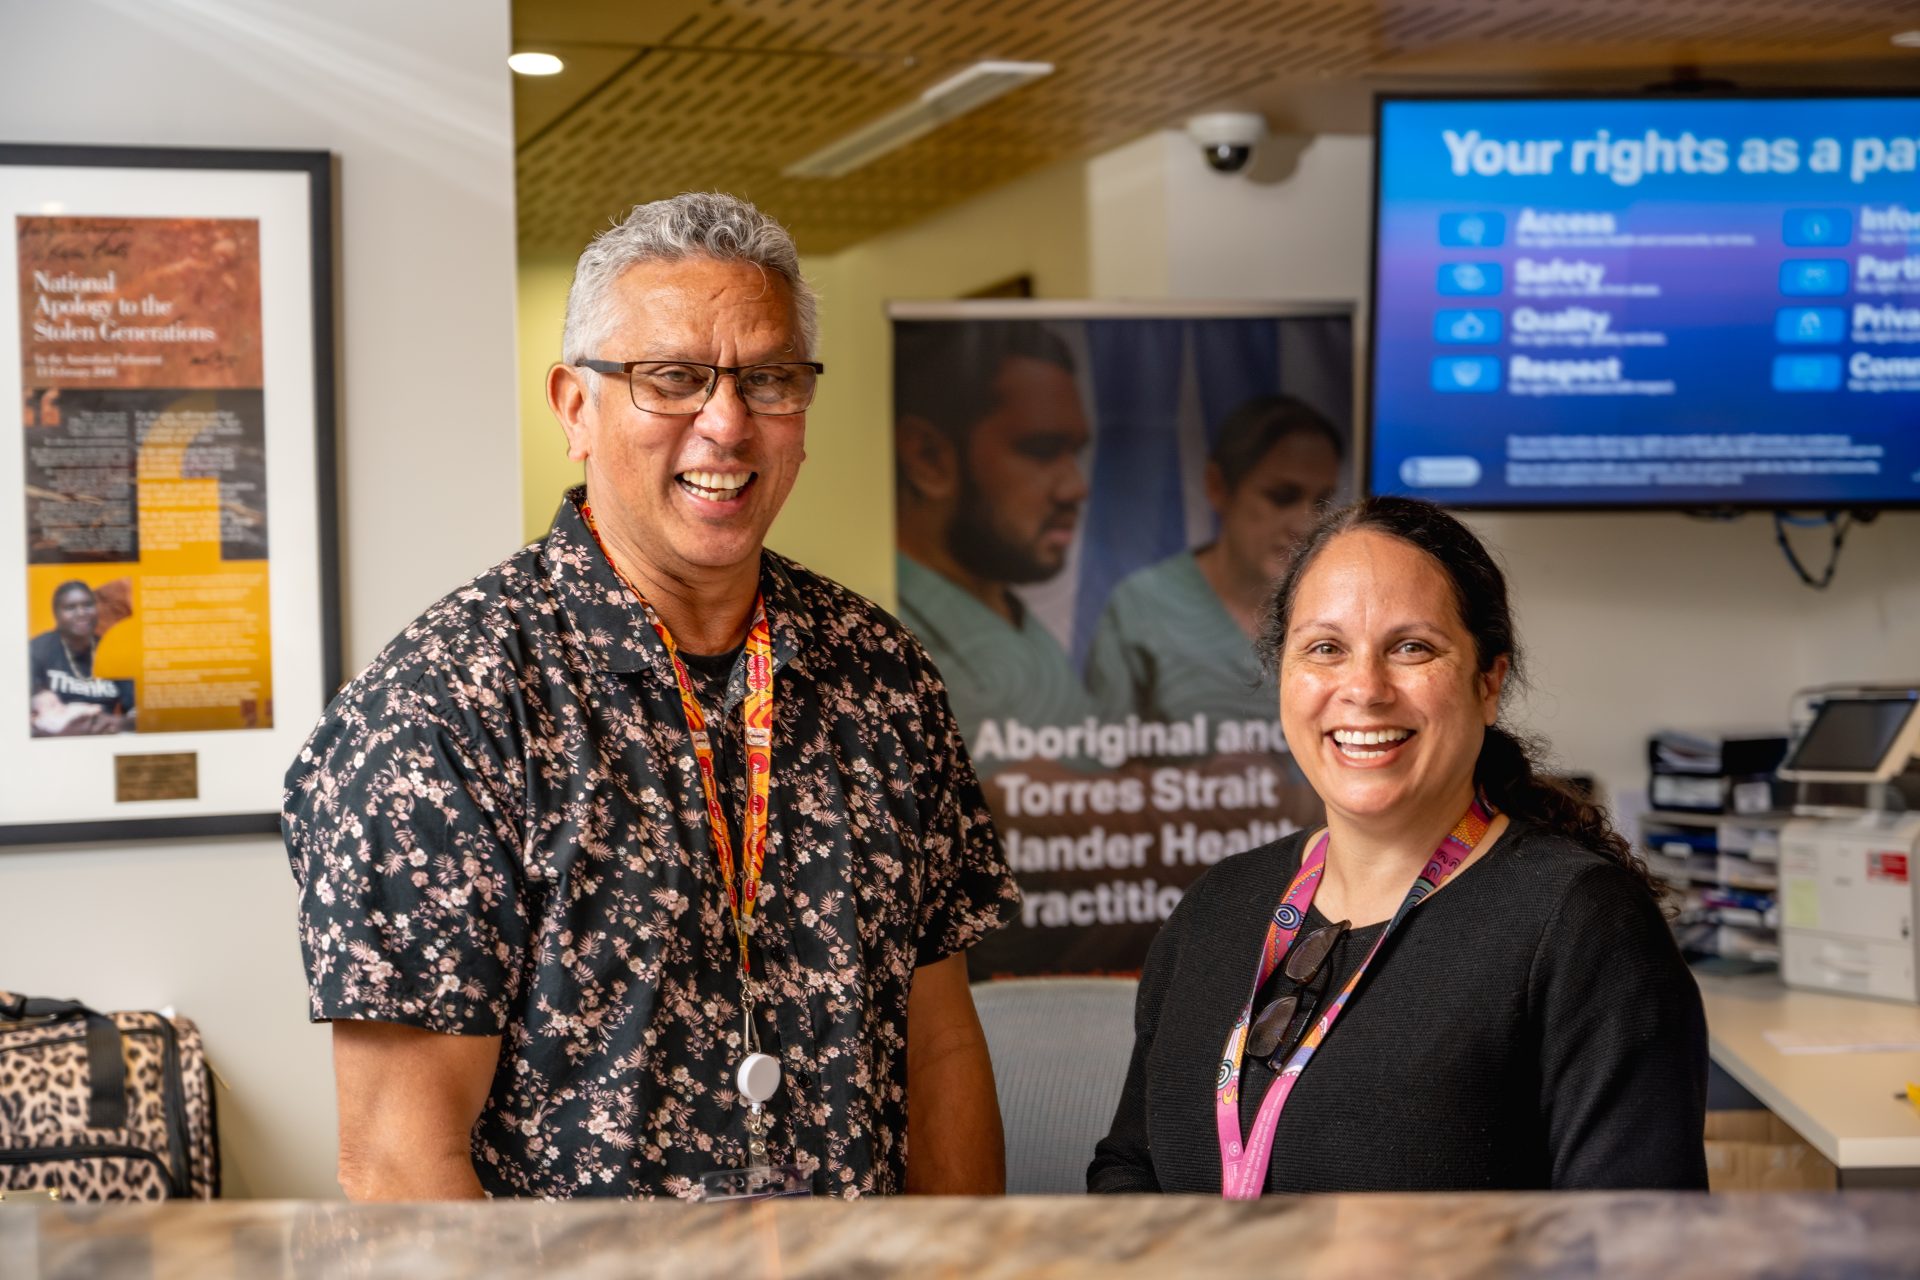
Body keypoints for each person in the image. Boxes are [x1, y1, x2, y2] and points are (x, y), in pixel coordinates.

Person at [284, 193, 1018, 1201]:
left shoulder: (882, 677)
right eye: (670, 378)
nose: (726, 422)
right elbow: (401, 1159)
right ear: (576, 407)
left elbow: (937, 1056)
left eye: (767, 379)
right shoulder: (444, 711)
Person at [1089, 496, 1707, 1195]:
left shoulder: (1581, 926)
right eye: (1325, 648)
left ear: (1488, 681)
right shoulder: (1218, 907)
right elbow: (1129, 1168)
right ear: (1282, 675)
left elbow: (1637, 1250)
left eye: (1412, 648)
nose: (1364, 689)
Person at [893, 322, 1097, 739]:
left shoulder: (1017, 623)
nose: (1076, 488)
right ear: (928, 457)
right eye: (1041, 450)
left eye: (1074, 453)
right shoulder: (881, 639)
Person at [1085, 395, 1341, 727]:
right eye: (1281, 497)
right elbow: (1102, 759)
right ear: (1218, 486)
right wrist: (1196, 778)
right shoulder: (1141, 606)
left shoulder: (1337, 605)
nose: (1305, 524)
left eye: (1321, 502)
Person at [29, 580, 133, 736]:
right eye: (70, 608)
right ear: (56, 614)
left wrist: (115, 722)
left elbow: (140, 714)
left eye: (88, 605)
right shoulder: (36, 649)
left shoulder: (113, 651)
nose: (81, 613)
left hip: (105, 735)